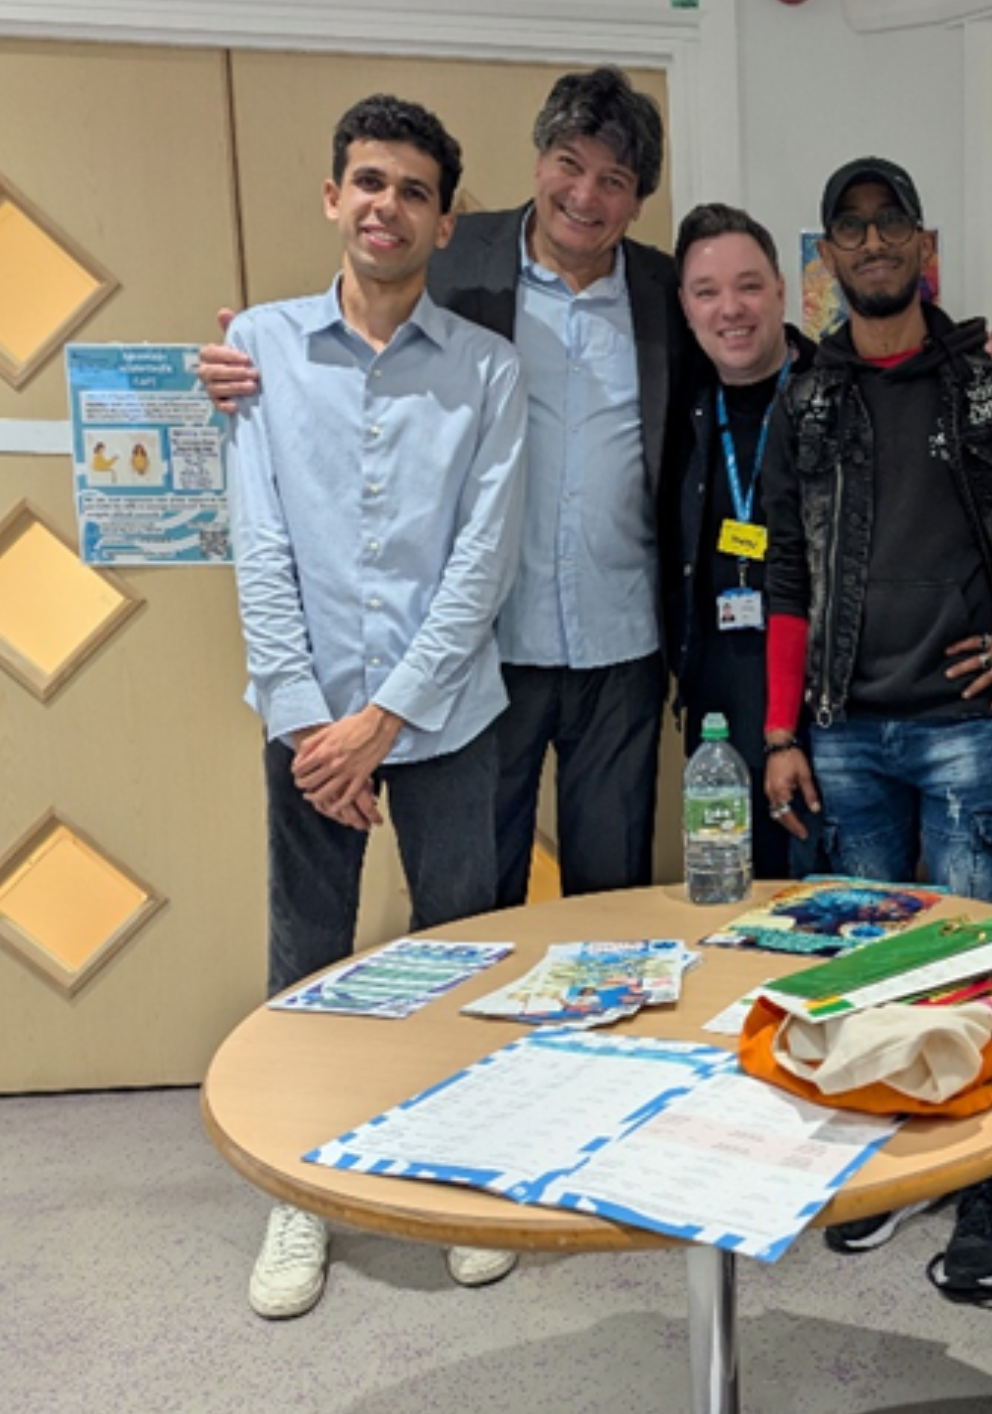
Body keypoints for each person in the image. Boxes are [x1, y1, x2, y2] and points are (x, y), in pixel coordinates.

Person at [200, 67, 697, 909]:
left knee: (611, 895)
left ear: (639, 201)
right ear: (538, 161)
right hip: (487, 650)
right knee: (479, 902)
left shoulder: (667, 293)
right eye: (569, 164)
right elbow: (355, 329)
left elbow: (751, 344)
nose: (586, 194)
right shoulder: (456, 253)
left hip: (623, 644)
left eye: (614, 180)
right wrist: (243, 363)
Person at [225, 95, 528, 1320]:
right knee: (309, 957)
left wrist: (386, 718)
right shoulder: (260, 345)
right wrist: (313, 725)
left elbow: (482, 561)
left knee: (460, 948)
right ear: (331, 197)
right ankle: (301, 1184)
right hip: (307, 724)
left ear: (443, 219)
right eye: (366, 180)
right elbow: (256, 545)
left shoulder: (488, 369)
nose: (384, 206)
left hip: (447, 717)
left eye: (410, 188)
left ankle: (457, 1171)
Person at [759, 157, 992, 1251]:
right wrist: (777, 732)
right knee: (866, 969)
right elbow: (787, 574)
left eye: (890, 220)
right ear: (828, 258)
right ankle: (886, 1163)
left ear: (922, 243)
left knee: (969, 963)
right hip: (842, 731)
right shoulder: (803, 401)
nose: (872, 241)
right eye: (848, 228)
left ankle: (973, 1164)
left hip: (960, 730)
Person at [668, 201, 992, 882]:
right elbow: (781, 567)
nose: (731, 307)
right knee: (803, 928)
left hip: (883, 712)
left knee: (954, 942)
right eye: (707, 291)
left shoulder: (842, 386)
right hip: (742, 708)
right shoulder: (678, 406)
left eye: (749, 285)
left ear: (785, 289)